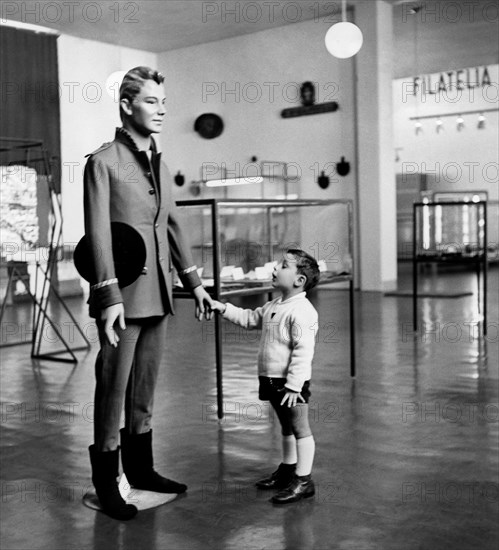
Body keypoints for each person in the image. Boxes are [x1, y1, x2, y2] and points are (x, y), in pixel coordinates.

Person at [83, 66, 213, 520]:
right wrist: (108, 295)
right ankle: (107, 482)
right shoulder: (103, 163)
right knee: (112, 388)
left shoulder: (159, 161)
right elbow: (98, 235)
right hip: (123, 298)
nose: (161, 110)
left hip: (159, 293)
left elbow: (171, 225)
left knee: (145, 388)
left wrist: (194, 283)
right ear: (126, 105)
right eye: (151, 102)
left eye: (164, 103)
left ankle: (141, 471)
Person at [211, 249, 320, 504]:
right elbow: (249, 319)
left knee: (300, 427)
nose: (274, 268)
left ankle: (304, 480)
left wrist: (294, 387)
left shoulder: (303, 311)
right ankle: (288, 469)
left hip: (292, 385)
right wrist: (223, 308)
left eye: (283, 266)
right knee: (285, 425)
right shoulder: (274, 305)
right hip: (271, 380)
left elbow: (304, 352)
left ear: (299, 280)